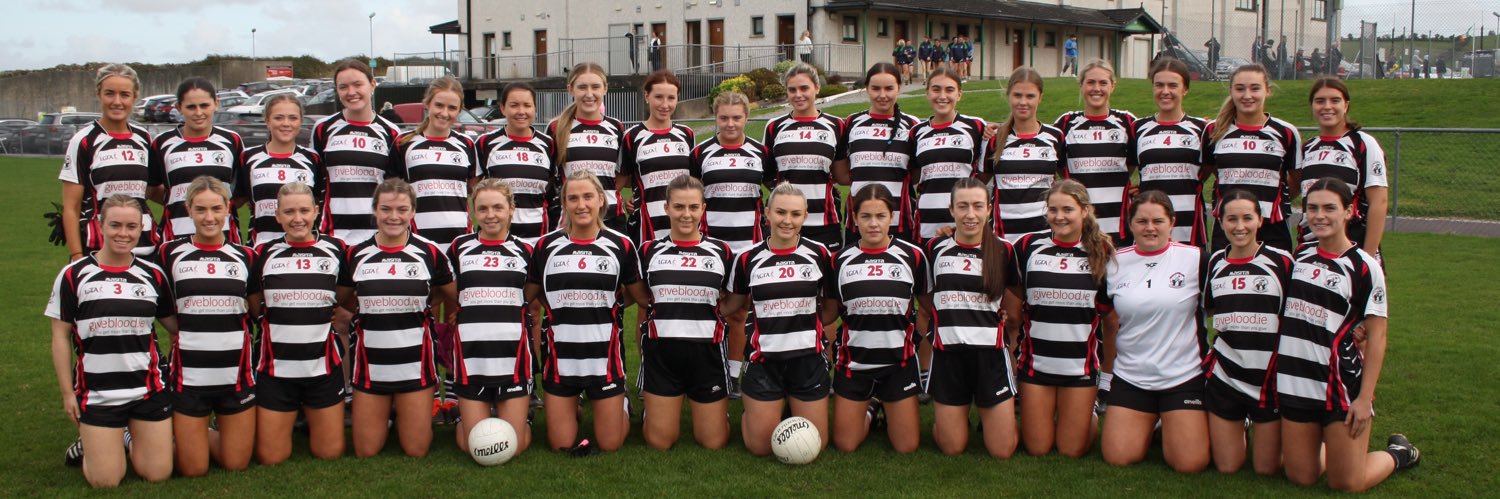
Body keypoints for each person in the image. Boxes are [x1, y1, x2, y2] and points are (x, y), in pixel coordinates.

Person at [1277, 177, 1420, 491]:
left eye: (1330, 208)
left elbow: (1377, 335)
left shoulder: (1366, 267)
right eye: (1312, 208)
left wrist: (1364, 397)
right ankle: (1336, 446)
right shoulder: (1296, 259)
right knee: (1300, 476)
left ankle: (1399, 453)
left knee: (1348, 483)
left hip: (1339, 387)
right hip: (1295, 383)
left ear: (1349, 211)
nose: (1319, 215)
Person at [48, 194, 176, 487]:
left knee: (157, 473)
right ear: (100, 225)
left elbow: (174, 327)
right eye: (115, 225)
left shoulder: (152, 274)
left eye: (131, 226)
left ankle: (126, 436)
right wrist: (68, 394)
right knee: (106, 481)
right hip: (98, 393)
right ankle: (89, 445)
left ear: (141, 228)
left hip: (148, 389)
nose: (123, 233)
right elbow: (59, 336)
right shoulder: (74, 275)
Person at [337, 178, 457, 458]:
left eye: (402, 209)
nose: (394, 217)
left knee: (416, 450)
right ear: (375, 211)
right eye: (386, 209)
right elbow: (343, 298)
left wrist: (426, 303)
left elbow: (451, 293)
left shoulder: (429, 252)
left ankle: (400, 412)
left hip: (415, 366)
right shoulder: (356, 254)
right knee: (366, 451)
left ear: (413, 212)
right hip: (371, 367)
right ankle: (386, 415)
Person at [721, 183, 838, 457]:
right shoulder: (747, 258)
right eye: (781, 212)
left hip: (807, 360)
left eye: (795, 214)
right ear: (767, 213)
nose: (787, 220)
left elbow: (831, 309)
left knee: (816, 444)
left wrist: (804, 326)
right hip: (764, 362)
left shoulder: (820, 254)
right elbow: (734, 306)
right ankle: (762, 410)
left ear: (805, 216)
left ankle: (786, 404)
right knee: (760, 447)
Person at [1097, 191, 1210, 473]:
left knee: (1189, 463)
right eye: (1142, 221)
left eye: (1158, 221)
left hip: (1183, 376)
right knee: (1117, 456)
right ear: (1130, 223)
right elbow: (1104, 320)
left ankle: (1176, 421)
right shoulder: (1113, 263)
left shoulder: (1196, 259)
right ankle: (1154, 422)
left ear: (1172, 222)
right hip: (1132, 376)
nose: (1150, 227)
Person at [528, 171, 637, 453]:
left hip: (604, 360)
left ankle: (620, 401)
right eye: (573, 198)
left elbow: (637, 296)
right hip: (561, 359)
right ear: (564, 203)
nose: (581, 205)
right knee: (561, 444)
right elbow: (529, 293)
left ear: (601, 199)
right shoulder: (545, 246)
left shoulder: (621, 245)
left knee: (611, 444)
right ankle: (570, 406)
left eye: (588, 196)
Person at [156, 176, 257, 476]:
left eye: (216, 208)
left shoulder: (246, 256)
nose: (209, 217)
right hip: (189, 378)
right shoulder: (169, 254)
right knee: (194, 469)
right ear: (188, 209)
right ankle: (132, 436)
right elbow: (161, 306)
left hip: (235, 375)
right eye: (200, 209)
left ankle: (207, 432)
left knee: (236, 464)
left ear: (228, 208)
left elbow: (253, 309)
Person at [624, 175, 734, 450]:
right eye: (679, 207)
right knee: (659, 441)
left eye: (693, 207)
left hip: (706, 352)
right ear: (667, 208)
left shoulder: (721, 251)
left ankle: (718, 411)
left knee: (714, 441)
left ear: (703, 209)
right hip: (663, 354)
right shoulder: (648, 250)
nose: (686, 214)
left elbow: (733, 301)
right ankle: (652, 406)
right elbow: (640, 297)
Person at [1011, 179, 1115, 458]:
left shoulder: (1102, 253)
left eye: (1067, 209)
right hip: (1036, 366)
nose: (1059, 217)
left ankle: (1088, 411)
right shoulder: (1028, 246)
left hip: (1079, 368)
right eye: (1052, 210)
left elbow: (1110, 321)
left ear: (1085, 211)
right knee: (1038, 448)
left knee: (1071, 450)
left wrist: (1106, 377)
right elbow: (1015, 305)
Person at [249, 181, 349, 466]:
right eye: (289, 211)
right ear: (277, 215)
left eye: (304, 210)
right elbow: (255, 302)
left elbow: (343, 295)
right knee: (271, 457)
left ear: (316, 212)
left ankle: (308, 418)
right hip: (275, 371)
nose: (297, 218)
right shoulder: (262, 254)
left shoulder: (337, 250)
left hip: (322, 369)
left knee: (329, 453)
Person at [919, 178, 1019, 457]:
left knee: (1002, 451)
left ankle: (995, 419)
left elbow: (1014, 299)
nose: (970, 214)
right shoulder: (933, 249)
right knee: (952, 447)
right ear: (951, 209)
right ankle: (956, 419)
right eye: (962, 206)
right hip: (948, 354)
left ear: (989, 208)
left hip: (990, 356)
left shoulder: (1004, 250)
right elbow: (927, 300)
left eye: (977, 206)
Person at [830, 184, 928, 454]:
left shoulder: (913, 256)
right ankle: (872, 407)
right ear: (854, 218)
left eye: (881, 216)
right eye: (866, 216)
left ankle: (888, 401)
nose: (873, 224)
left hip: (899, 364)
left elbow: (929, 307)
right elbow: (829, 312)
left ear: (892, 217)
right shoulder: (840, 261)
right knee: (845, 444)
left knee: (906, 447)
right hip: (854, 363)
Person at [1202, 189, 1291, 475]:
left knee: (1267, 469)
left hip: (1268, 378)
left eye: (1247, 218)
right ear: (1221, 221)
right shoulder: (1215, 262)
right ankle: (1239, 422)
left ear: (1260, 221)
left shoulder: (1282, 262)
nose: (1239, 226)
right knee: (1227, 467)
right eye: (1231, 219)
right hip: (1226, 376)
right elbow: (1208, 310)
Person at [447, 179, 536, 458]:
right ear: (473, 211)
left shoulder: (526, 251)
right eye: (483, 208)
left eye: (498, 207)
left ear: (512, 209)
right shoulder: (458, 248)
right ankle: (467, 416)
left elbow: (531, 296)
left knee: (514, 445)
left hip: (512, 357)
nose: (490, 215)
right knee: (472, 446)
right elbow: (452, 293)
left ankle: (525, 417)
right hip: (472, 358)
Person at [692, 90, 772, 398]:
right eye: (723, 117)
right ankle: (705, 372)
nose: (730, 124)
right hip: (711, 247)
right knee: (705, 311)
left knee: (739, 313)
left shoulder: (760, 152)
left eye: (736, 117)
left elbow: (775, 189)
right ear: (715, 118)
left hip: (747, 248)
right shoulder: (701, 153)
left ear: (746, 118)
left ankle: (732, 375)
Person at [60, 64, 156, 261]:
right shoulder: (84, 140)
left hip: (145, 246)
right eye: (110, 94)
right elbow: (71, 206)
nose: (117, 101)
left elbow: (151, 190)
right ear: (99, 94)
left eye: (125, 94)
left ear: (135, 97)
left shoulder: (144, 138)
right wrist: (76, 256)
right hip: (98, 248)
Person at [1203, 64, 1301, 254]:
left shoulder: (1286, 132)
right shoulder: (1214, 131)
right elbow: (1214, 173)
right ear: (1231, 91)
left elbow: (1296, 181)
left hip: (1273, 228)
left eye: (1255, 88)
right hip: (1228, 228)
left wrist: (1272, 203)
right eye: (1240, 89)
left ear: (1267, 91)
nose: (1247, 95)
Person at [313, 58, 402, 246]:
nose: (351, 92)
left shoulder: (391, 132)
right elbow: (315, 182)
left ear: (372, 84)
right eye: (343, 87)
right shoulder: (323, 128)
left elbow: (395, 186)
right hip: (332, 234)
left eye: (357, 84)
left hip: (378, 235)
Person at [1297, 77, 1389, 255]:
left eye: (1335, 100)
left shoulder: (1363, 144)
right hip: (1310, 251)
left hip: (1353, 248)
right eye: (1320, 101)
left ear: (1346, 105)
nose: (1327, 106)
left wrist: (1368, 257)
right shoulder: (1308, 147)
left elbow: (1379, 202)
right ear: (1312, 106)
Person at [764, 63, 849, 252]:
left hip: (824, 223)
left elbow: (841, 175)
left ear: (817, 88)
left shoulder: (836, 125)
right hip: (784, 223)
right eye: (792, 89)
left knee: (826, 280)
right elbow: (768, 174)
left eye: (804, 88)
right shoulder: (774, 126)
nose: (798, 94)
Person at [149, 77, 245, 243]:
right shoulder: (162, 142)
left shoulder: (231, 140)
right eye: (191, 107)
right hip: (176, 233)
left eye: (204, 105)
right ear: (179, 108)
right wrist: (180, 199)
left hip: (224, 234)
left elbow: (242, 191)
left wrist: (218, 204)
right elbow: (152, 188)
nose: (198, 112)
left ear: (216, 103)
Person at [1054, 60, 1136, 245]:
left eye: (1103, 83)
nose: (1096, 88)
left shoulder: (1127, 122)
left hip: (1118, 228)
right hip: (1077, 228)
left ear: (1112, 86)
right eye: (1090, 82)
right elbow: (1060, 167)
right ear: (1081, 84)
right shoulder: (1066, 122)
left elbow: (1130, 165)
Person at [394, 76, 478, 255]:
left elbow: (473, 189)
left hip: (459, 238)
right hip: (417, 238)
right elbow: (393, 191)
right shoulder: (404, 143)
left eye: (452, 108)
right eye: (439, 105)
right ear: (427, 103)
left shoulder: (467, 144)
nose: (444, 113)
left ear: (459, 110)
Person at [1132, 58, 1209, 247]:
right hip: (1150, 222)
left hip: (1189, 220)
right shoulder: (1138, 128)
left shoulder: (1202, 128)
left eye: (1173, 85)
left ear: (1185, 89)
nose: (1165, 91)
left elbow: (1207, 170)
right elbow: (1128, 168)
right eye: (1159, 85)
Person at [550, 63, 631, 237]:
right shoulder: (556, 128)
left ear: (605, 89)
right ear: (570, 89)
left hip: (611, 220)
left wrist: (602, 195)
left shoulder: (616, 127)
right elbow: (549, 177)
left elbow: (622, 173)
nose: (589, 94)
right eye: (582, 87)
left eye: (595, 87)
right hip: (571, 221)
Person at [843, 62, 918, 244]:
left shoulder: (912, 125)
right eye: (876, 88)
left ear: (898, 88)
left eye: (889, 88)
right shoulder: (851, 123)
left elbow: (916, 174)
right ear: (867, 88)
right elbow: (844, 171)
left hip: (900, 221)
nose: (882, 95)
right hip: (859, 221)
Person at [910, 67, 986, 242]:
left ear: (959, 94)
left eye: (949, 90)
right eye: (936, 89)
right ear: (927, 93)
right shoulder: (916, 132)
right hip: (927, 222)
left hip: (965, 222)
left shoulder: (976, 126)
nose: (942, 96)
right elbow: (913, 176)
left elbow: (985, 172)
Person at [987, 67, 1063, 243]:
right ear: (1008, 96)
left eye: (1030, 96)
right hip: (1003, 238)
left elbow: (1067, 178)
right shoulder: (994, 138)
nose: (1023, 102)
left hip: (1045, 237)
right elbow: (980, 181)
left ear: (1040, 98)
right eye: (1017, 95)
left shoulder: (1055, 137)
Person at [475, 82, 557, 244]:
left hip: (538, 237)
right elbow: (475, 188)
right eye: (514, 105)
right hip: (498, 237)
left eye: (527, 105)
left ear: (534, 108)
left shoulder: (549, 144)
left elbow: (553, 187)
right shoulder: (485, 143)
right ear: (503, 108)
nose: (521, 112)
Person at [240, 94, 323, 247]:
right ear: (267, 121)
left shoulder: (312, 158)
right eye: (278, 118)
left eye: (293, 118)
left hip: (305, 249)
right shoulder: (248, 157)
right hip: (262, 248)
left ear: (301, 121)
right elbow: (238, 202)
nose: (286, 123)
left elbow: (318, 203)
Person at [624, 70, 696, 242]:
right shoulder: (632, 136)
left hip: (683, 221)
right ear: (646, 96)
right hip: (647, 226)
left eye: (671, 98)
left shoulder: (686, 134)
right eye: (659, 97)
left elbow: (694, 179)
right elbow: (623, 179)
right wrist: (628, 200)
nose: (665, 105)